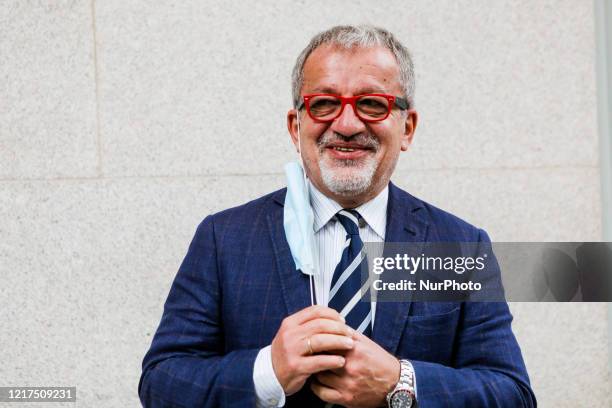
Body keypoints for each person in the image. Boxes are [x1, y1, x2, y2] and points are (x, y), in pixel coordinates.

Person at [139, 25, 536, 407]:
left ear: (408, 128)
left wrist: (401, 383)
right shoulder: (223, 239)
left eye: (372, 104)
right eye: (324, 104)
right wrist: (267, 372)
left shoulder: (461, 245)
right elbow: (161, 383)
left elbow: (512, 394)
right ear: (296, 127)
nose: (347, 125)